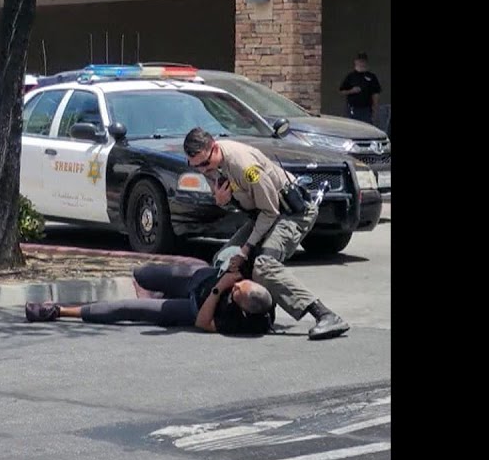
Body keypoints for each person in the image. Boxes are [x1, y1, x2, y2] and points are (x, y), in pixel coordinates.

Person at [183, 127, 351, 340]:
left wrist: (246, 249)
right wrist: (221, 202)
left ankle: (325, 315)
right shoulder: (209, 167)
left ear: (214, 147)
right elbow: (244, 204)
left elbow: (270, 211)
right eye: (195, 165)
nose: (203, 170)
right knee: (224, 259)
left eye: (205, 163)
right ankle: (253, 309)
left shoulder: (245, 166)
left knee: (263, 264)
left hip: (290, 214)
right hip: (262, 215)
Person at [24, 256, 275, 335]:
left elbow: (202, 322)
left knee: (129, 308)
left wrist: (220, 288)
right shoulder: (261, 296)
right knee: (143, 273)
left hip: (193, 306)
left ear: (242, 308)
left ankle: (58, 310)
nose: (236, 286)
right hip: (198, 278)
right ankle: (155, 292)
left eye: (236, 292)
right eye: (240, 284)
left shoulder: (240, 322)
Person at [339, 52, 382, 125]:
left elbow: (376, 94)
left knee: (366, 128)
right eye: (360, 61)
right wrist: (351, 91)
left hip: (366, 110)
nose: (362, 63)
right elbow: (341, 91)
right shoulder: (350, 76)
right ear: (355, 62)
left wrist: (375, 111)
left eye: (363, 61)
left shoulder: (371, 77)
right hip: (352, 109)